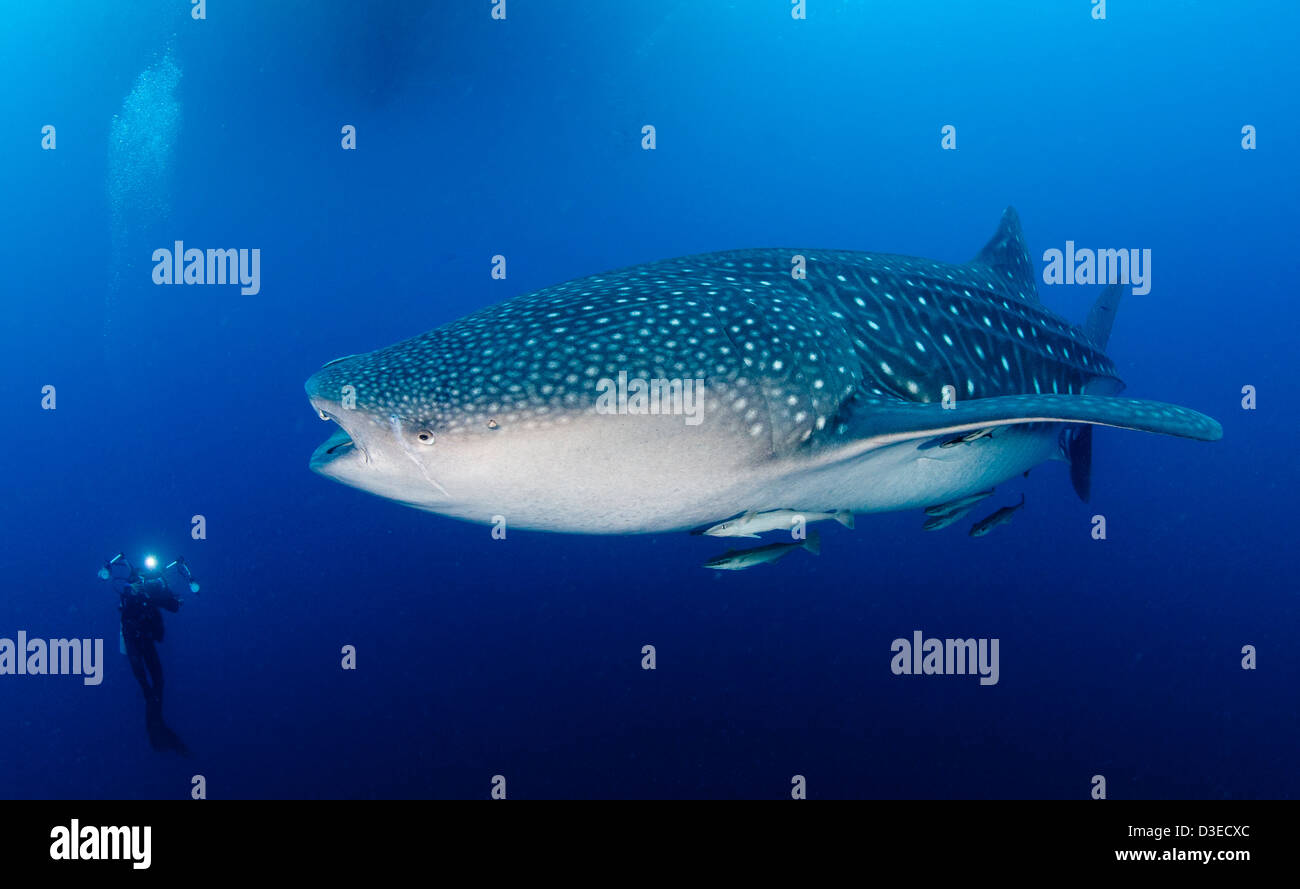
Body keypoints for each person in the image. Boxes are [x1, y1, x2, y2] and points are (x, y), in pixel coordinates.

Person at [99, 554, 193, 754]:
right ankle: (156, 731)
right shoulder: (130, 591)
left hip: (147, 641)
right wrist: (131, 591)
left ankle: (157, 728)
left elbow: (172, 605)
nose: (145, 583)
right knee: (145, 685)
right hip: (132, 640)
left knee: (158, 681)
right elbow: (121, 592)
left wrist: (173, 598)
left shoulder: (155, 592)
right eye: (141, 579)